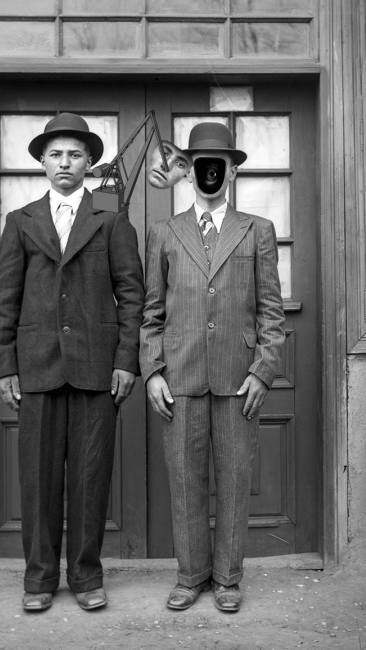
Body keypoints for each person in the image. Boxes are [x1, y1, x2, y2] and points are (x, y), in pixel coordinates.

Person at [0, 113, 144, 612]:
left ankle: (86, 577)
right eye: (55, 154)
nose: (65, 163)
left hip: (97, 368)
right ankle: (38, 580)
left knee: (90, 477)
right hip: (36, 367)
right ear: (41, 161)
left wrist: (127, 361)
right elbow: (4, 301)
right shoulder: (21, 220)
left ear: (89, 162)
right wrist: (5, 367)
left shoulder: (111, 216)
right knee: (37, 482)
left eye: (75, 154)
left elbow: (132, 295)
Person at [140, 122, 285, 612]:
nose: (209, 172)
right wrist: (152, 370)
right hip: (179, 376)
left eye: (218, 164)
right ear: (188, 172)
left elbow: (271, 311)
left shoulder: (257, 230)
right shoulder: (164, 233)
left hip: (238, 377)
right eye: (201, 164)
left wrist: (263, 370)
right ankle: (191, 576)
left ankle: (227, 578)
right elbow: (151, 312)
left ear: (231, 171)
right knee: (185, 481)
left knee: (235, 478)